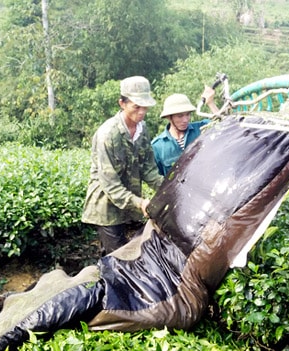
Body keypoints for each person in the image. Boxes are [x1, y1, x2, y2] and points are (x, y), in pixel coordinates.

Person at [81, 76, 164, 256]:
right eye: (136, 106)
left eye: (145, 107)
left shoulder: (142, 129)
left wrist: (168, 189)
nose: (142, 112)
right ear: (122, 103)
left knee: (136, 251)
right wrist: (140, 203)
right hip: (107, 207)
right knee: (118, 258)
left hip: (129, 204)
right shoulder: (107, 135)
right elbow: (110, 185)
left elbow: (148, 169)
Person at [152, 86, 219, 176]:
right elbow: (158, 178)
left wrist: (211, 103)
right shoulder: (158, 146)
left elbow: (224, 124)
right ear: (169, 117)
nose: (185, 119)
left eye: (187, 115)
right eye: (180, 116)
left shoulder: (202, 128)